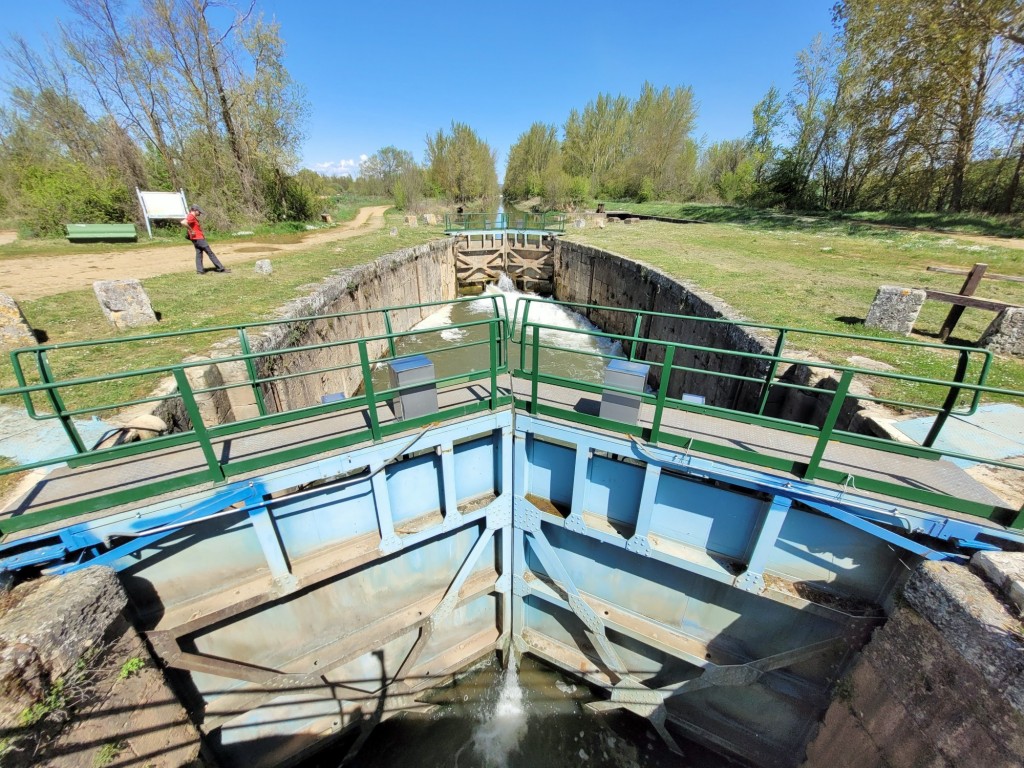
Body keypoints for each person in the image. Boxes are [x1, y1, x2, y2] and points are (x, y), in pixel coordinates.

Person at [181, 204, 230, 275]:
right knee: (210, 253)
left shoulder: (192, 217)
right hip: (199, 239)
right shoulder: (191, 216)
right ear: (195, 210)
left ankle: (200, 271)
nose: (200, 213)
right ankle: (221, 268)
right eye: (199, 212)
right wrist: (191, 230)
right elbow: (183, 222)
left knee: (199, 254)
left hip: (195, 239)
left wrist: (190, 231)